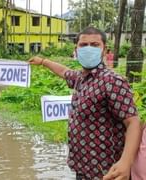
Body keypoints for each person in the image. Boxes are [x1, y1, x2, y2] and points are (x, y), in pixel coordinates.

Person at [29, 27, 142, 179]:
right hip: (83, 168)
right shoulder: (80, 78)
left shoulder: (112, 81)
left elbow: (133, 122)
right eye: (83, 45)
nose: (88, 49)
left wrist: (125, 162)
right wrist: (43, 61)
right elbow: (64, 72)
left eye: (95, 45)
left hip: (107, 172)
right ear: (76, 50)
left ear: (104, 50)